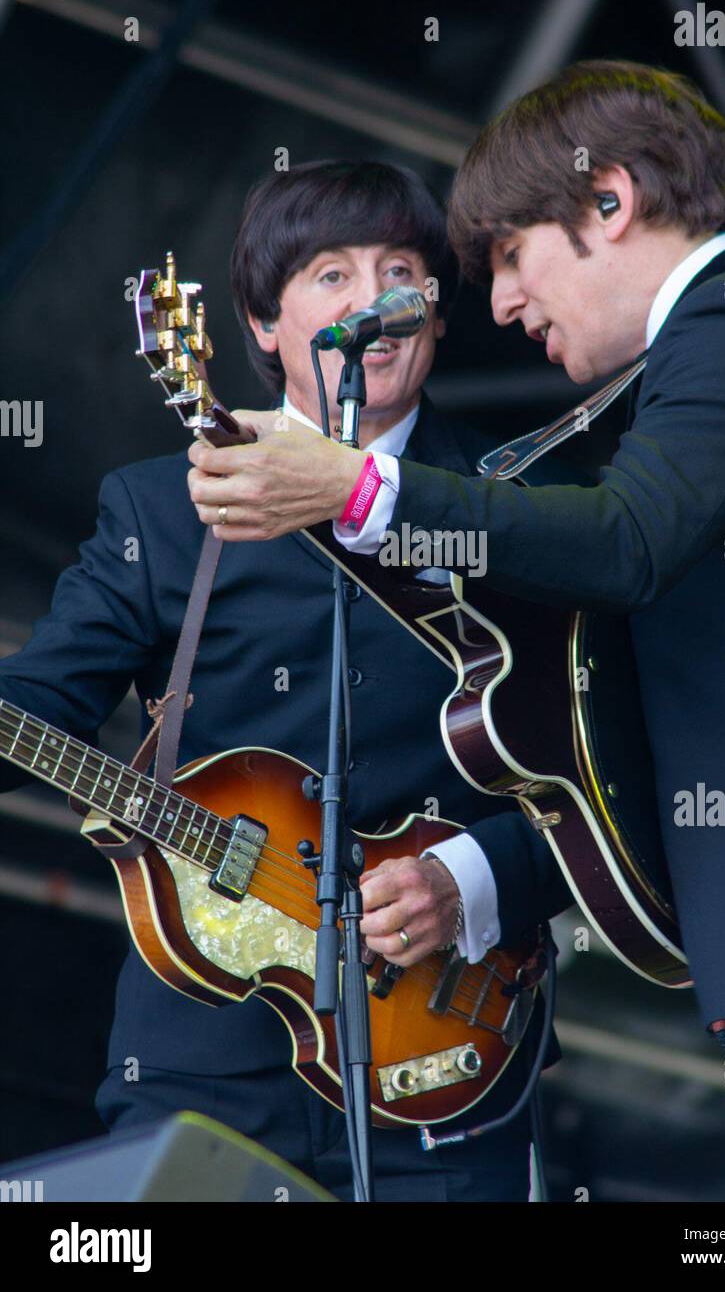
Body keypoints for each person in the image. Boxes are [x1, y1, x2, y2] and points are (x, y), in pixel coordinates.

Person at [196, 62, 725, 1203]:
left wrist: (360, 491)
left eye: (510, 254)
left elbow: (620, 541)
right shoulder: (707, 362)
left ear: (608, 200)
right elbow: (605, 682)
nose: (500, 304)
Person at [0, 159, 572, 1202]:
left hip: (449, 1051)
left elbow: (609, 772)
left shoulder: (520, 503)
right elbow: (40, 703)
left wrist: (477, 876)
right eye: (330, 276)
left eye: (399, 271)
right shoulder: (160, 512)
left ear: (436, 316)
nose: (372, 302)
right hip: (203, 1062)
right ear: (262, 327)